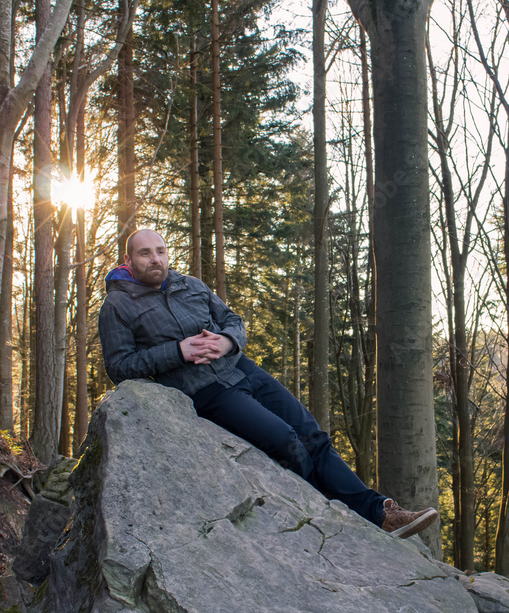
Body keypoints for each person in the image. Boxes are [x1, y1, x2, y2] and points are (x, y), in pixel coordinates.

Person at [98, 229, 439, 539]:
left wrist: (227, 341)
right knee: (287, 442)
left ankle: (380, 513)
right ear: (128, 259)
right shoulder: (117, 305)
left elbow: (233, 321)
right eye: (145, 253)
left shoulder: (191, 285)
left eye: (160, 251)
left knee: (313, 435)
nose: (155, 259)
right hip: (206, 392)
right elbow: (119, 366)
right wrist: (177, 351)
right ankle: (333, 518)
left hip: (242, 369)